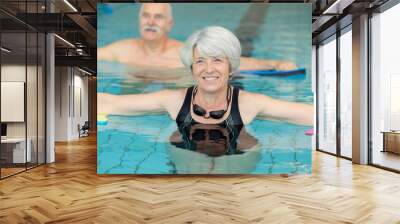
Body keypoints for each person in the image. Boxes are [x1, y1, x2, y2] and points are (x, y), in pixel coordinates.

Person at [98, 26, 313, 156]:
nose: (208, 69)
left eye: (217, 60)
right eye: (200, 61)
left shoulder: (251, 103)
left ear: (231, 68)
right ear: (191, 68)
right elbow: (110, 102)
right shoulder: (173, 100)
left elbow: (310, 114)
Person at [98, 3, 297, 71]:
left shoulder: (183, 53)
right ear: (139, 20)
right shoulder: (120, 50)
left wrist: (273, 63)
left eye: (158, 17)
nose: (150, 22)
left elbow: (233, 62)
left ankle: (260, 5)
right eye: (146, 16)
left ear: (170, 24)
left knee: (243, 39)